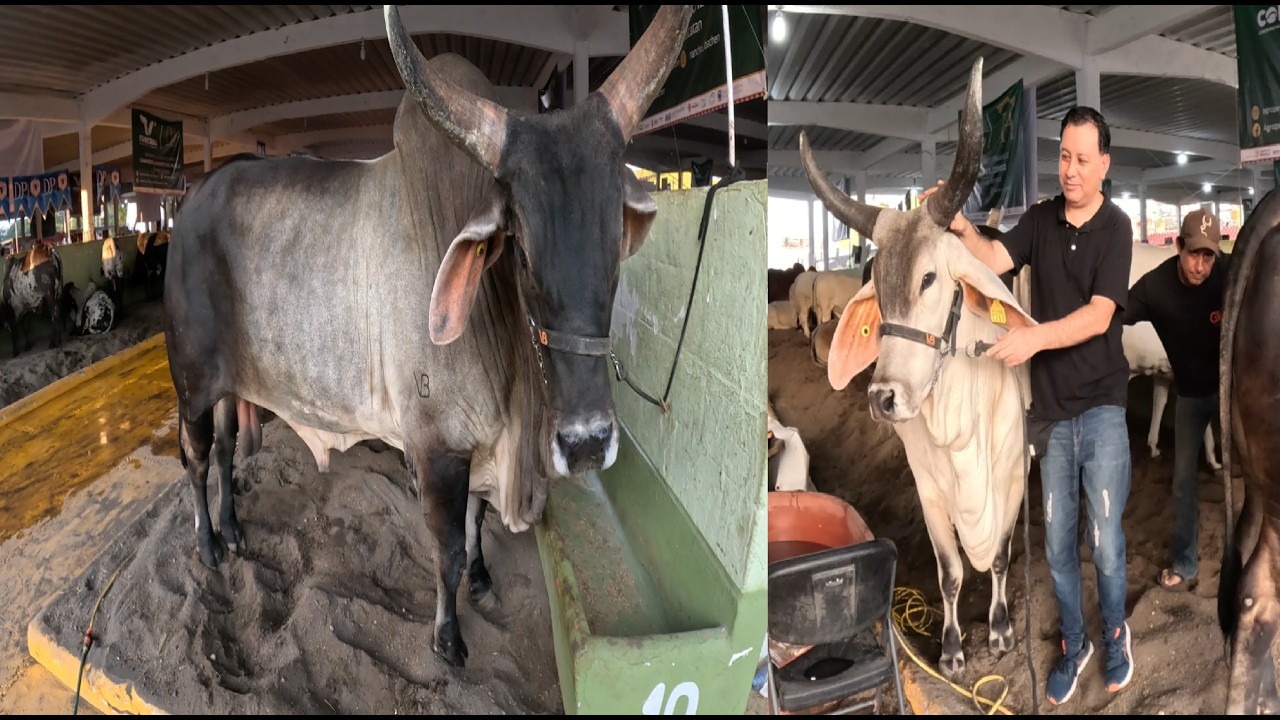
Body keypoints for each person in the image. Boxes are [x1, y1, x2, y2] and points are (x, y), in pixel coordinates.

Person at [924, 106, 1135, 705]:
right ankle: (1076, 645)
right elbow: (995, 260)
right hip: (1049, 414)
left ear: (1104, 165)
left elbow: (1099, 316)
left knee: (1108, 541)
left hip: (1102, 407)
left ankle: (1116, 638)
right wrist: (963, 229)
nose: (1070, 170)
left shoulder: (1116, 228)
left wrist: (1034, 337)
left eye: (1082, 160)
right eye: (1063, 157)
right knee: (1058, 546)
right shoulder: (1040, 221)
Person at [1122, 209, 1229, 592]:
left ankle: (1256, 554)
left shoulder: (1228, 273)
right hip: (1189, 396)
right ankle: (1186, 562)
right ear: (1179, 245)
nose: (1200, 266)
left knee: (1248, 471)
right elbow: (1113, 313)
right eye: (1193, 254)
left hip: (1228, 391)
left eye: (1208, 256)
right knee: (1183, 481)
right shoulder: (1156, 286)